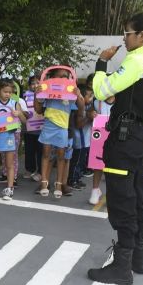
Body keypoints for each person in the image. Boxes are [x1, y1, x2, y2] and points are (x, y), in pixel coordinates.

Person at [87, 11, 143, 285]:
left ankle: (121, 268)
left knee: (121, 199)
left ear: (142, 36)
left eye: (127, 33)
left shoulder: (135, 62)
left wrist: (102, 62)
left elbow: (102, 91)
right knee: (137, 194)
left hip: (124, 139)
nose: (124, 39)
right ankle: (139, 258)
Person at [34, 68, 86, 199]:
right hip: (48, 126)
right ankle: (44, 183)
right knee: (46, 154)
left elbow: (81, 107)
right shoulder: (48, 90)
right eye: (60, 76)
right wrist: (37, 95)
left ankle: (58, 185)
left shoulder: (69, 93)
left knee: (61, 156)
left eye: (66, 77)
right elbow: (38, 109)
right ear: (53, 78)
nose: (63, 79)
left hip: (62, 128)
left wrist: (79, 95)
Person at [87, 74, 114, 205]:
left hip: (116, 136)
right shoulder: (97, 100)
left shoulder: (122, 100)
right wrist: (91, 114)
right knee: (98, 164)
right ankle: (95, 190)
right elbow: (90, 111)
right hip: (100, 136)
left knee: (114, 166)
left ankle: (114, 193)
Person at [22, 75, 43, 182]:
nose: (35, 85)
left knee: (41, 151)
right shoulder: (24, 96)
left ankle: (40, 172)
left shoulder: (44, 95)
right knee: (29, 150)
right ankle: (30, 169)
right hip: (28, 130)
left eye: (37, 83)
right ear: (29, 85)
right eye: (33, 83)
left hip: (41, 130)